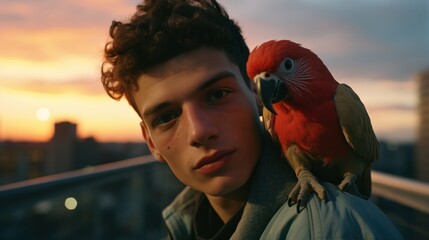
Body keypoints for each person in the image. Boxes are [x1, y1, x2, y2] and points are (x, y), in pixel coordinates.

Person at [101, 0, 403, 239]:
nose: (200, 131)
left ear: (257, 98)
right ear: (150, 142)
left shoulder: (328, 229)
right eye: (166, 117)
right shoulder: (182, 221)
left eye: (217, 95)